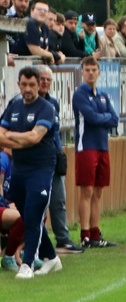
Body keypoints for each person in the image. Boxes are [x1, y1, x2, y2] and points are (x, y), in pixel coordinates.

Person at [0, 66, 62, 279]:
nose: (28, 89)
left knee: (34, 213)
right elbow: (1, 135)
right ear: (19, 84)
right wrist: (22, 137)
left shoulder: (46, 108)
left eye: (32, 85)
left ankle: (26, 265)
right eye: (24, 84)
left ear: (39, 85)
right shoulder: (14, 106)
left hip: (41, 168)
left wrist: (13, 135)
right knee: (27, 215)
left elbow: (35, 138)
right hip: (19, 169)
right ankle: (52, 258)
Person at [72, 55, 119, 248]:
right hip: (86, 146)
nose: (91, 73)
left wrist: (103, 117)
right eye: (87, 70)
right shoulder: (79, 94)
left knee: (98, 190)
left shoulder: (103, 95)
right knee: (87, 190)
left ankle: (95, 232)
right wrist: (104, 117)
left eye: (94, 70)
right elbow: (91, 118)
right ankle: (84, 234)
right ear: (82, 72)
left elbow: (115, 119)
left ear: (99, 72)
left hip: (102, 146)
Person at [39, 65, 81, 254]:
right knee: (39, 203)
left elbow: (56, 131)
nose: (45, 82)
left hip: (55, 157)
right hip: (37, 160)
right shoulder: (24, 103)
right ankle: (37, 242)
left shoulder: (53, 103)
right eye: (42, 79)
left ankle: (62, 239)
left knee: (59, 200)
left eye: (48, 79)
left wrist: (61, 152)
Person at [0, 148, 27, 271]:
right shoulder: (3, 158)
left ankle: (18, 253)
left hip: (6, 205)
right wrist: (6, 205)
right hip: (2, 206)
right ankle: (8, 256)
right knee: (22, 218)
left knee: (38, 214)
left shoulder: (17, 161)